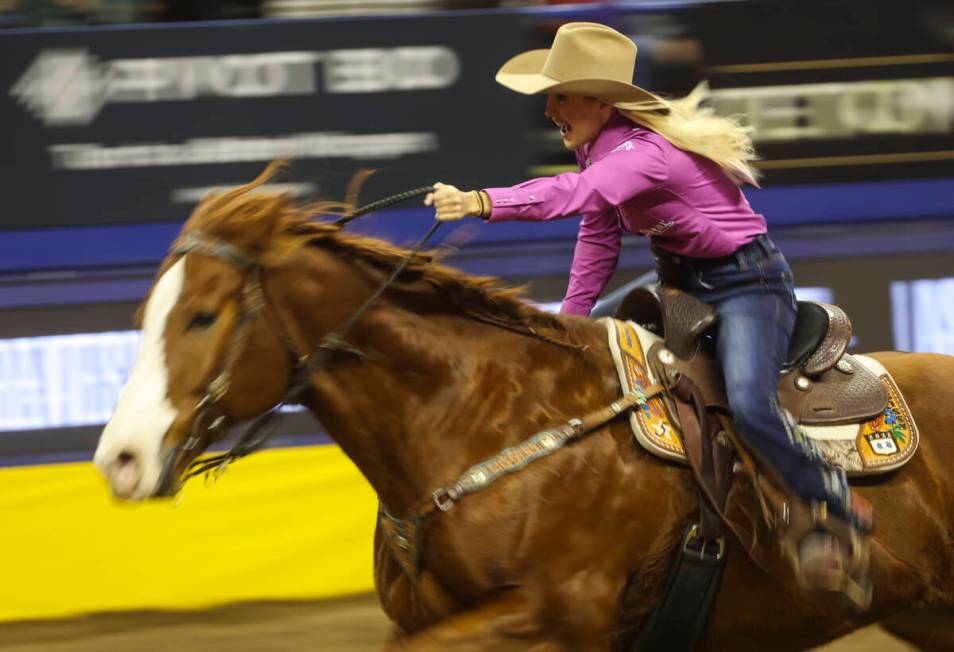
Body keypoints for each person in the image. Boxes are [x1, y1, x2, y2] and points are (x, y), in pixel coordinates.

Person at [424, 22, 872, 543]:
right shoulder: (599, 149)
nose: (550, 111)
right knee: (579, 352)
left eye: (560, 97)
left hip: (748, 285)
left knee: (750, 405)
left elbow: (578, 195)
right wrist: (571, 320)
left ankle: (824, 488)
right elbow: (597, 236)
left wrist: (481, 202)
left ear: (599, 101)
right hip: (679, 284)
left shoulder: (644, 154)